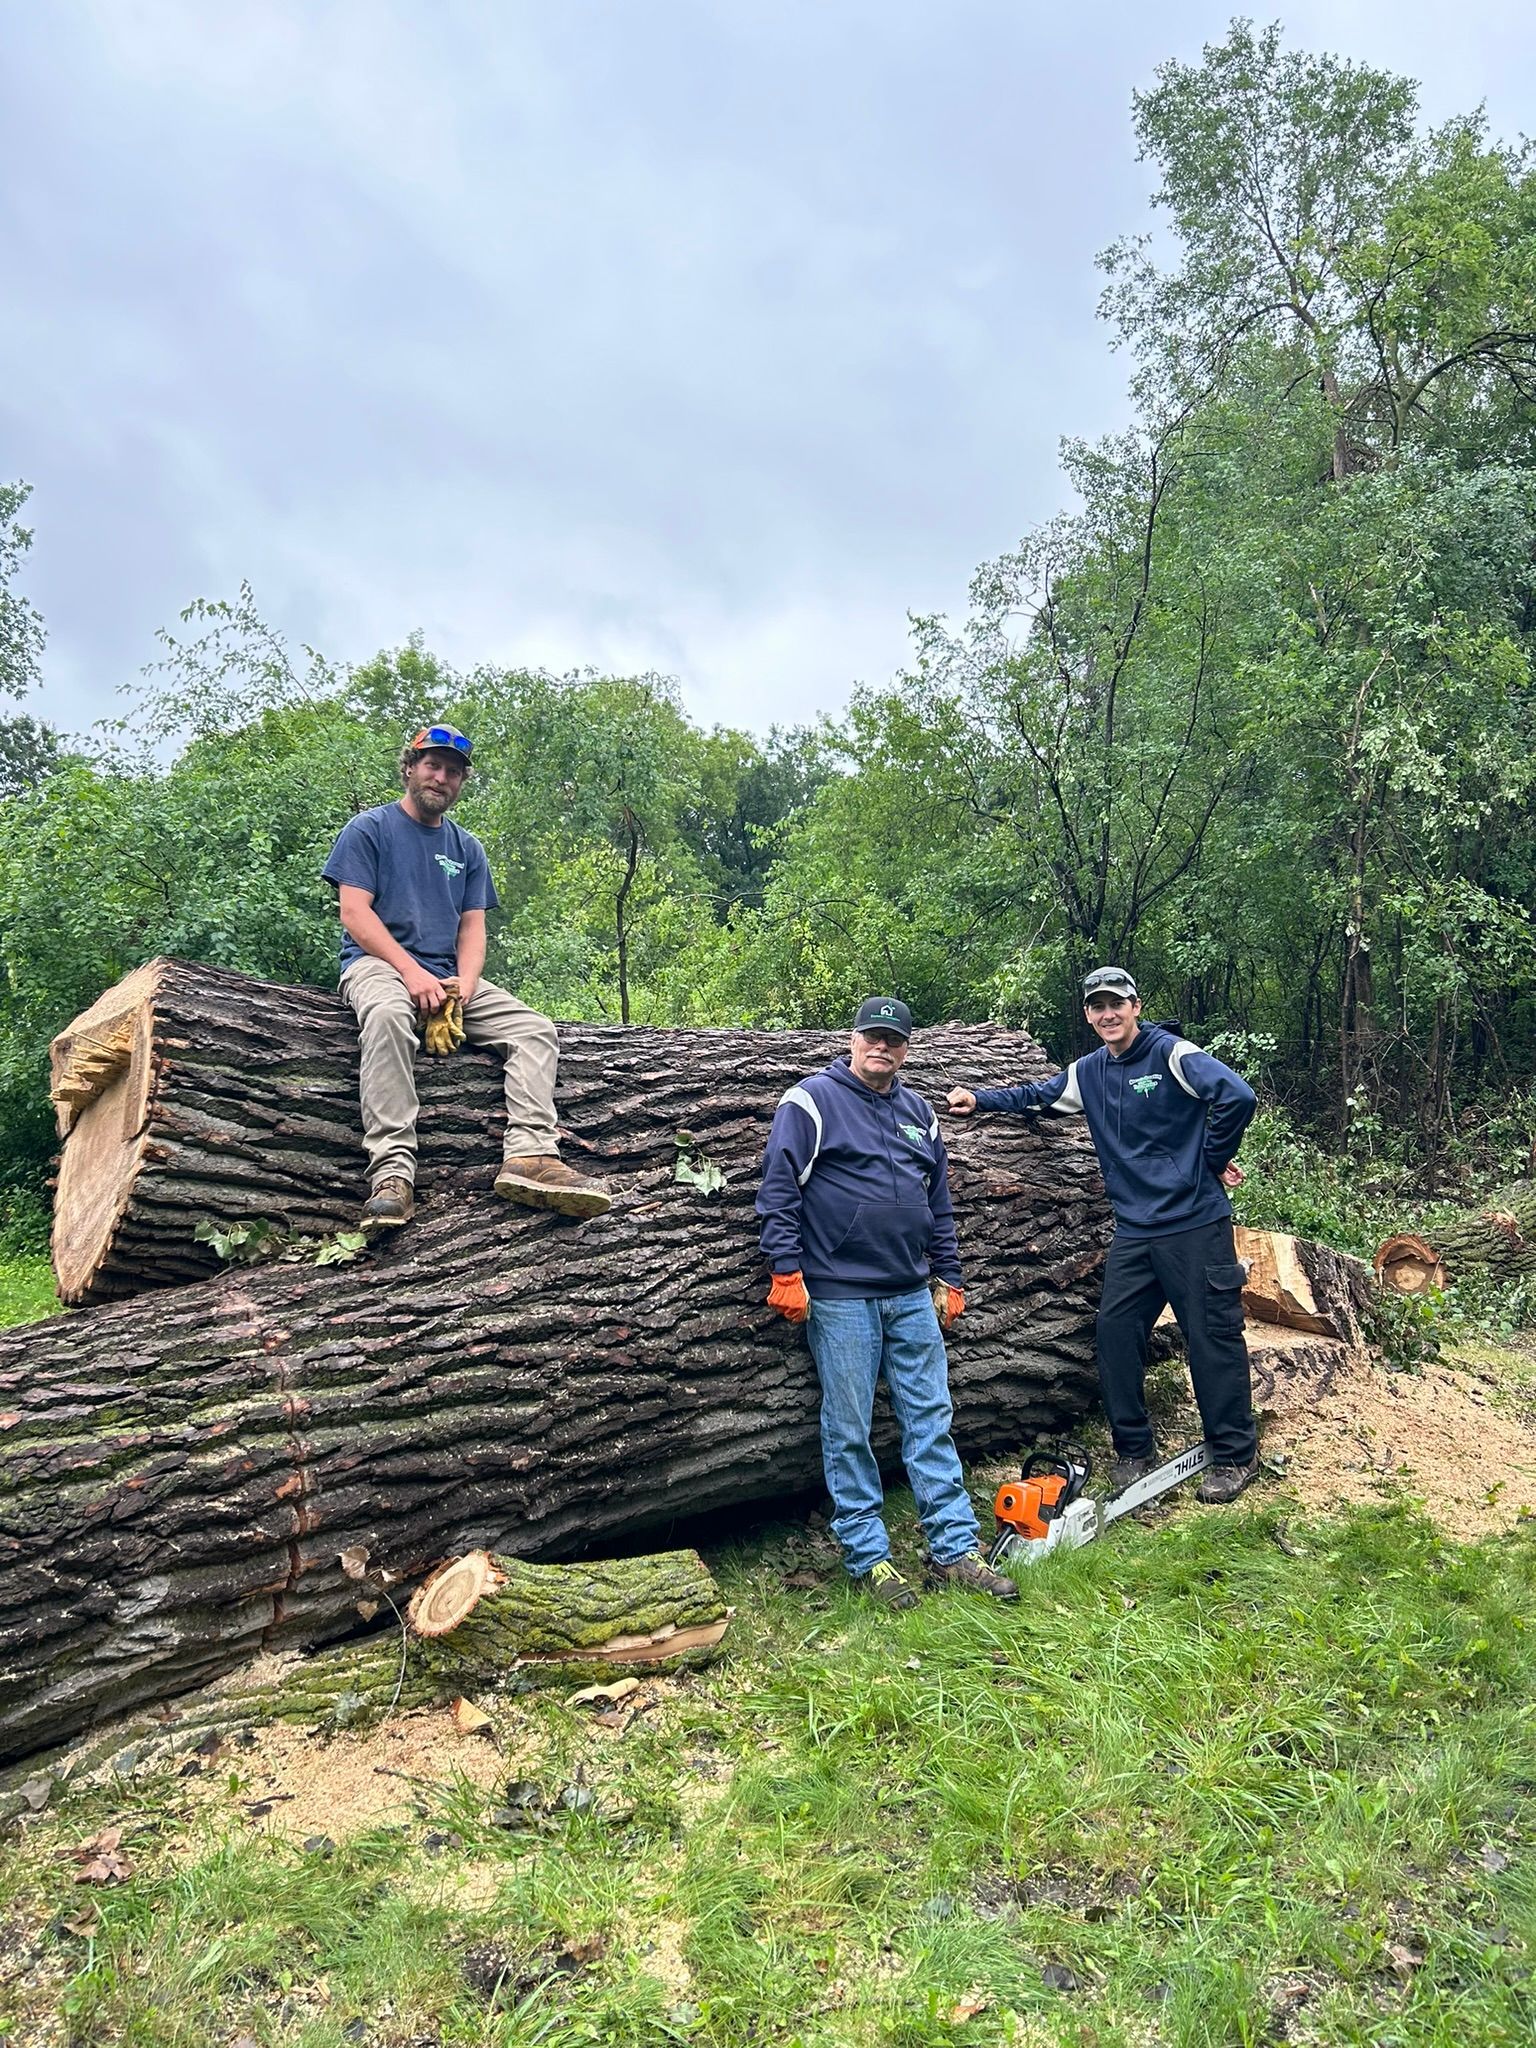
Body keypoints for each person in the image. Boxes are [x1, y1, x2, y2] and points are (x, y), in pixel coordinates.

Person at [948, 966, 1260, 1503]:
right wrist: (979, 1100)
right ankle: (1134, 1450)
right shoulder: (1088, 1072)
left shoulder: (1173, 1055)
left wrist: (1208, 1158)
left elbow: (1238, 1097)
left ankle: (1234, 1455)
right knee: (1115, 1335)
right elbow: (1037, 1095)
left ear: (1135, 1006)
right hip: (1135, 1231)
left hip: (1194, 1224)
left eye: (1117, 1003)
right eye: (1097, 1006)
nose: (1107, 1014)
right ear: (1089, 1015)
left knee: (1211, 1337)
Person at [757, 996, 1018, 1609]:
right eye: (872, 1036)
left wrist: (948, 1275)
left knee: (931, 1420)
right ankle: (870, 1560)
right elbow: (777, 1187)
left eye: (893, 1039)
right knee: (849, 1428)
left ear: (906, 1047)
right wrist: (786, 1270)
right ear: (853, 1039)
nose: (882, 1046)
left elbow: (939, 1203)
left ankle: (955, 1551)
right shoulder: (812, 1101)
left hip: (910, 1293)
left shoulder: (919, 1112)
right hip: (841, 1297)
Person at [322, 722, 612, 1233]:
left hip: (448, 977)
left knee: (535, 1030)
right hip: (378, 967)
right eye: (432, 765)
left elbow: (473, 929)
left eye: (453, 772)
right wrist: (411, 974)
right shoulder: (369, 829)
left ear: (461, 783)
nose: (441, 777)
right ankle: (392, 1175)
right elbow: (354, 913)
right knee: (389, 1017)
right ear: (409, 768)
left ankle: (529, 1157)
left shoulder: (467, 849)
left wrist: (465, 989)